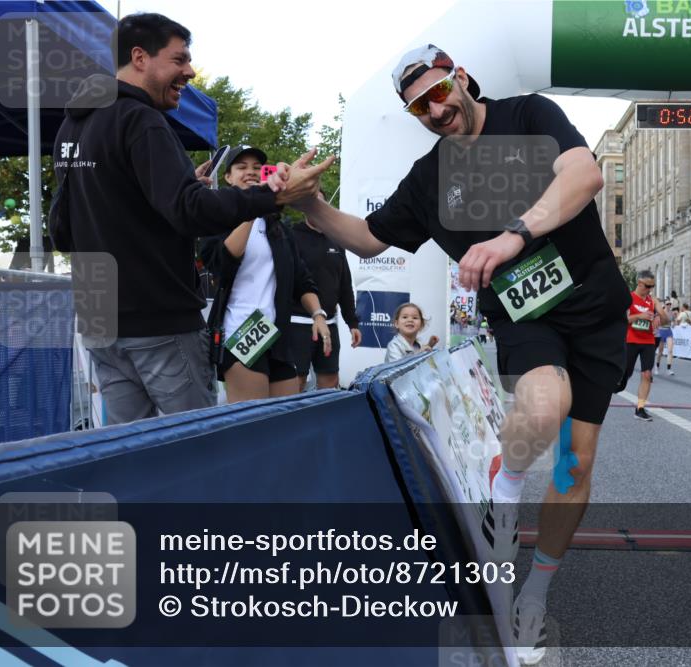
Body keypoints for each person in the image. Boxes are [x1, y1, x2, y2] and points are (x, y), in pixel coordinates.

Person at [269, 44, 630, 663]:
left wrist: (513, 234)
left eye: (439, 93)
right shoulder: (429, 179)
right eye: (418, 108)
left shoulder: (530, 116)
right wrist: (308, 204)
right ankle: (503, 485)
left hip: (596, 307)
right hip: (525, 315)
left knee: (576, 466)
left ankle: (534, 595)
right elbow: (366, 237)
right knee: (545, 406)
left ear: (461, 79)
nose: (435, 111)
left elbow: (585, 175)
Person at [50, 13, 331, 424]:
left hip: (99, 320)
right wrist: (275, 195)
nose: (190, 71)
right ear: (140, 57)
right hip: (157, 320)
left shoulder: (70, 130)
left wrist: (181, 189)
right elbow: (191, 212)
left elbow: (64, 229)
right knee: (195, 447)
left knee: (130, 451)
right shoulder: (141, 119)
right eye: (179, 59)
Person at [199, 146, 331, 403]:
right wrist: (251, 208)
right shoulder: (215, 215)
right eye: (241, 167)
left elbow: (302, 280)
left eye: (256, 168)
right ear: (228, 177)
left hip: (276, 337)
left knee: (284, 422)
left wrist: (318, 314)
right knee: (252, 425)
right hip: (239, 334)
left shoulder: (278, 228)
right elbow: (222, 263)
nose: (250, 172)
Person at [290, 192, 361, 390]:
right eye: (311, 202)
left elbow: (345, 285)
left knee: (330, 383)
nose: (316, 207)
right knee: (296, 382)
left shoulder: (336, 240)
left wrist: (352, 322)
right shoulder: (291, 235)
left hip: (329, 323)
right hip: (296, 324)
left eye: (320, 203)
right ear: (303, 206)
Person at [619, 270, 667, 420]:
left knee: (647, 374)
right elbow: (622, 320)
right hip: (631, 340)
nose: (650, 289)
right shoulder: (628, 298)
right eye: (647, 286)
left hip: (647, 341)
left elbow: (666, 321)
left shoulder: (653, 300)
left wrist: (659, 315)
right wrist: (640, 316)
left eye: (652, 286)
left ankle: (640, 408)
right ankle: (619, 381)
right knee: (626, 373)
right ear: (639, 283)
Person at [655, 301, 675, 376]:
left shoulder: (672, 313)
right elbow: (656, 321)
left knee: (670, 350)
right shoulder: (661, 312)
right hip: (661, 331)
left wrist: (673, 323)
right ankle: (657, 366)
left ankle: (669, 369)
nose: (669, 305)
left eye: (670, 304)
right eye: (667, 304)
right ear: (664, 305)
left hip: (668, 331)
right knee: (660, 352)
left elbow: (674, 321)